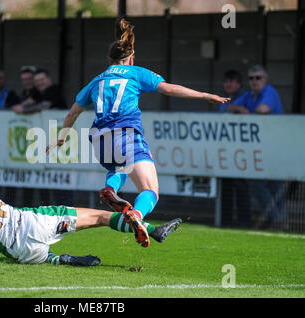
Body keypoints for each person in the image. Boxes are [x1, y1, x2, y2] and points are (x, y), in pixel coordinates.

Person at [47, 18, 229, 247]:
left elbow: (72, 114)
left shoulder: (96, 81)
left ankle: (111, 189)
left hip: (99, 140)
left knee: (119, 167)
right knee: (150, 190)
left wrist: (62, 137)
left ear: (109, 60)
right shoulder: (136, 73)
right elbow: (169, 89)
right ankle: (137, 214)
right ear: (131, 59)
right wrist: (204, 96)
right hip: (126, 135)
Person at [0, 174, 182, 267]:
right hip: (35, 223)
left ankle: (60, 260)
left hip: (24, 253)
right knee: (100, 217)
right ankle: (153, 230)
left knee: (39, 254)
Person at [227, 65, 287, 230]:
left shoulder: (270, 92)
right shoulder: (249, 95)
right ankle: (280, 222)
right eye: (252, 78)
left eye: (258, 78)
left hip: (275, 147)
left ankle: (278, 220)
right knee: (267, 186)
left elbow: (263, 110)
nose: (255, 81)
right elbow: (230, 107)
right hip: (259, 149)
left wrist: (244, 112)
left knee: (264, 185)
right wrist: (242, 109)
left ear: (265, 79)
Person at [218, 70, 251, 228]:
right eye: (226, 81)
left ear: (239, 83)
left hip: (242, 150)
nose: (229, 84)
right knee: (226, 187)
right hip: (226, 150)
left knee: (242, 187)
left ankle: (245, 222)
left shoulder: (245, 98)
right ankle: (226, 221)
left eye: (232, 81)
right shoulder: (223, 100)